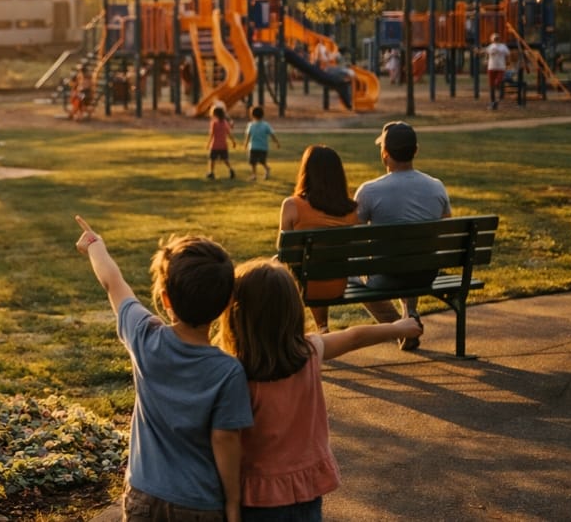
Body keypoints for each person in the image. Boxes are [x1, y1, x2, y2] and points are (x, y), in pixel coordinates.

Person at [215, 258, 423, 521]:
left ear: (235, 315)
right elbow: (353, 336)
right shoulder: (309, 352)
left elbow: (226, 439)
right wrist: (395, 327)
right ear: (293, 310)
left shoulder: (235, 372)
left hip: (257, 494)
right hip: (307, 487)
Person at [73, 215, 252, 522]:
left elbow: (112, 281)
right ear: (224, 305)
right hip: (200, 503)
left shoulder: (144, 336)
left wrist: (94, 245)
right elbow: (226, 440)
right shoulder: (228, 371)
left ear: (166, 298)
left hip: (144, 496)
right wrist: (233, 504)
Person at [353, 121, 451, 350]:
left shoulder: (369, 190)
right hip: (425, 274)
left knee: (353, 275)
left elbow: (351, 235)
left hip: (385, 277)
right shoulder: (437, 186)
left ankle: (400, 327)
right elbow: (445, 228)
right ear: (415, 150)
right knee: (413, 255)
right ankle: (410, 314)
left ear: (385, 153)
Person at [278, 145, 359, 333]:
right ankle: (322, 327)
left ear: (305, 172)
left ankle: (315, 329)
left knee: (288, 267)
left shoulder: (292, 205)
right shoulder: (351, 209)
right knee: (316, 267)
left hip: (305, 287)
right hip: (338, 285)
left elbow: (284, 253)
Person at [243, 106, 280, 181]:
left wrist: (245, 144)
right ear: (262, 115)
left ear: (252, 115)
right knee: (254, 161)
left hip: (257, 147)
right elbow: (272, 134)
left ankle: (265, 170)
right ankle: (254, 175)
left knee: (259, 161)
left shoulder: (252, 125)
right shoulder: (259, 125)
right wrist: (277, 142)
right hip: (258, 147)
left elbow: (248, 136)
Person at [207, 104, 237, 180]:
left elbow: (212, 134)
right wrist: (233, 141)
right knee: (225, 159)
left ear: (214, 114)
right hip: (223, 145)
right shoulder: (224, 123)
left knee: (212, 159)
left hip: (215, 145)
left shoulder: (214, 123)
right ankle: (231, 170)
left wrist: (208, 144)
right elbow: (229, 133)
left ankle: (211, 172)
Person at [482, 33, 510, 110]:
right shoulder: (491, 46)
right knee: (491, 85)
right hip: (491, 67)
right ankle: (493, 102)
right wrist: (486, 59)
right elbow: (486, 53)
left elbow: (508, 54)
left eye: (497, 38)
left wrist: (508, 61)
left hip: (500, 67)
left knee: (497, 82)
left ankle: (498, 97)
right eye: (495, 38)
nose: (496, 40)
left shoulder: (503, 46)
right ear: (492, 39)